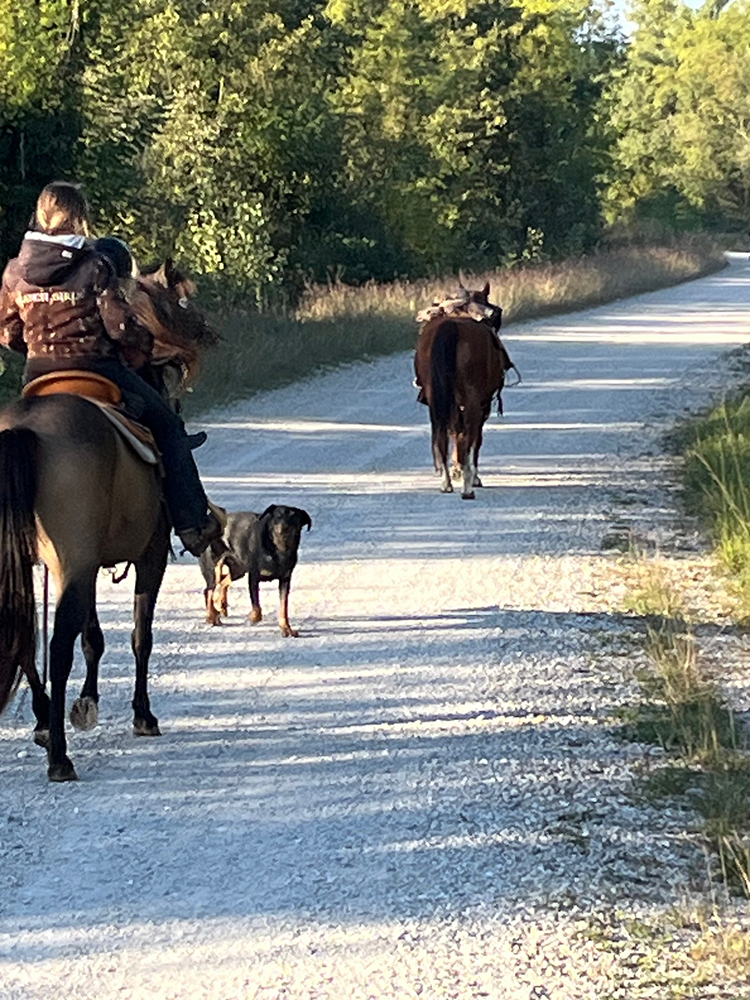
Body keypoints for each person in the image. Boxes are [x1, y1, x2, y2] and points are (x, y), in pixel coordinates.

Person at [0, 180, 223, 557]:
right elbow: (119, 326)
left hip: (38, 376)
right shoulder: (95, 265)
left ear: (40, 214)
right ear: (79, 217)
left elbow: (7, 333)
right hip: (97, 369)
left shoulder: (13, 271)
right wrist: (142, 343)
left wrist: (38, 350)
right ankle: (192, 522)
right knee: (168, 428)